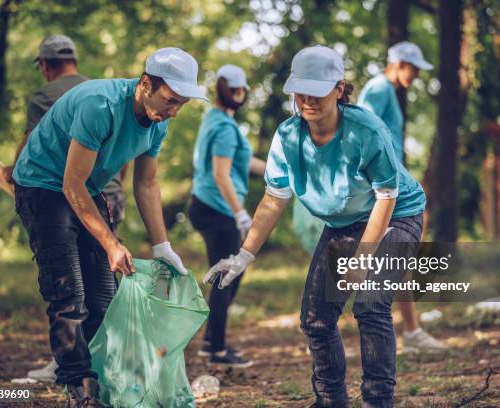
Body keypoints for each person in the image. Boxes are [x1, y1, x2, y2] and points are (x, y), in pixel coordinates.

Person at [205, 45, 426, 408]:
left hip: (397, 214)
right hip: (345, 223)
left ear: (339, 89)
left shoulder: (365, 130)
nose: (307, 99)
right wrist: (243, 256)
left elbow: (387, 197)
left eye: (318, 89)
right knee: (316, 319)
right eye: (300, 90)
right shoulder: (288, 137)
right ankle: (330, 401)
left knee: (371, 305)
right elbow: (274, 199)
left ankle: (377, 401)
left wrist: (362, 259)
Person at [12, 47, 207, 406]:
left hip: (85, 190)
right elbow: (70, 184)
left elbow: (146, 184)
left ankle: (105, 381)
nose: (174, 111)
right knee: (68, 292)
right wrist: (111, 242)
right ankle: (79, 388)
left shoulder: (157, 124)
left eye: (182, 104)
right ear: (146, 83)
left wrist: (163, 246)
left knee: (104, 298)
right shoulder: (100, 105)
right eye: (170, 100)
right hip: (42, 186)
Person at [3, 34, 130, 384]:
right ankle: (94, 366)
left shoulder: (45, 95)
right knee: (101, 286)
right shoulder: (99, 90)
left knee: (67, 284)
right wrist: (115, 188)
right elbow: (122, 156)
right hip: (109, 194)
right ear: (73, 59)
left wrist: (10, 173)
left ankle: (73, 368)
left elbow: (32, 139)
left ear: (45, 65)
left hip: (63, 193)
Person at [358, 41, 447, 354]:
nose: (418, 75)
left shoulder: (387, 91)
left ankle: (410, 329)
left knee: (398, 257)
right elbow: (363, 132)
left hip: (392, 184)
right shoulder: (380, 88)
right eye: (414, 68)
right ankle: (401, 332)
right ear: (398, 64)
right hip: (381, 189)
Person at [189, 64, 265, 368]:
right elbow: (222, 175)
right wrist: (240, 214)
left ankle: (212, 342)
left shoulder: (217, 120)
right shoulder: (223, 127)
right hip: (217, 209)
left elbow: (239, 163)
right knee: (226, 277)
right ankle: (216, 350)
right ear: (238, 91)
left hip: (207, 205)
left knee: (230, 275)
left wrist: (276, 167)